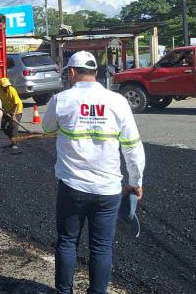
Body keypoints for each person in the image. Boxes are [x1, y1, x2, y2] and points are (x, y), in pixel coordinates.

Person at [43, 51, 145, 294]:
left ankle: (64, 291)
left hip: (72, 187)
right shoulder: (117, 101)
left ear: (71, 72)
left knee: (67, 241)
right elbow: (132, 146)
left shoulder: (61, 100)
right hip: (108, 190)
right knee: (101, 247)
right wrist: (136, 181)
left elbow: (46, 127)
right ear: (96, 72)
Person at [0, 77, 23, 150]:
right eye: (5, 87)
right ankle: (13, 139)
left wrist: (13, 115)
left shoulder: (12, 90)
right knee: (3, 126)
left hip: (17, 110)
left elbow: (16, 104)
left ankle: (15, 143)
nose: (6, 88)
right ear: (1, 86)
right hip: (6, 110)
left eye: (7, 86)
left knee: (13, 126)